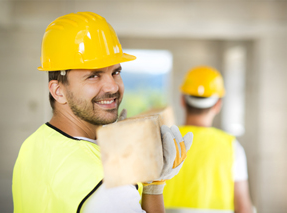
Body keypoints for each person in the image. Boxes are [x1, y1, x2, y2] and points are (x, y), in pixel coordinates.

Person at [12, 12, 193, 213]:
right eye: (93, 76)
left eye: (115, 72)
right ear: (58, 91)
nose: (112, 87)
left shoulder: (33, 145)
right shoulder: (108, 184)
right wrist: (154, 185)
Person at [163, 66, 253, 213]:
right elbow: (243, 208)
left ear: (183, 101)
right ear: (218, 105)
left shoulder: (162, 140)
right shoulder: (231, 147)